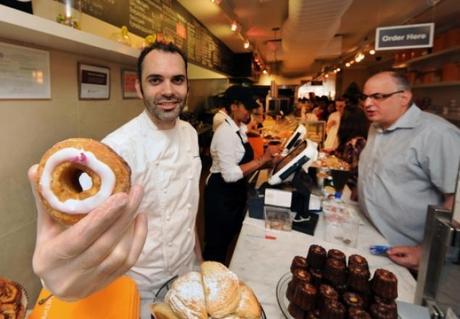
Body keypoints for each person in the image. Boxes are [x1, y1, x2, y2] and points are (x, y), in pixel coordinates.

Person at [29, 41, 203, 319]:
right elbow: (80, 231)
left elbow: (187, 205)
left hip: (185, 276)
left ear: (187, 87)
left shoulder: (190, 134)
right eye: (155, 80)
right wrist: (63, 277)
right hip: (137, 287)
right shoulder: (115, 152)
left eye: (177, 80)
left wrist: (198, 260)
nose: (168, 90)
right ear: (139, 88)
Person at [357, 71, 460, 270]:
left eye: (378, 96)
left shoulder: (437, 134)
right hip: (375, 239)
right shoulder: (376, 126)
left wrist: (425, 251)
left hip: (409, 255)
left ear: (404, 97)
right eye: (365, 97)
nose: (367, 103)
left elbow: (456, 201)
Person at [203, 85, 281, 264]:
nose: (250, 112)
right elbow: (229, 174)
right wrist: (263, 159)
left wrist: (270, 162)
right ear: (233, 106)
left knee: (229, 238)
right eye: (247, 107)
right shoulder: (224, 133)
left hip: (234, 192)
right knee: (217, 245)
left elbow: (244, 165)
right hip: (221, 194)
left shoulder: (239, 130)